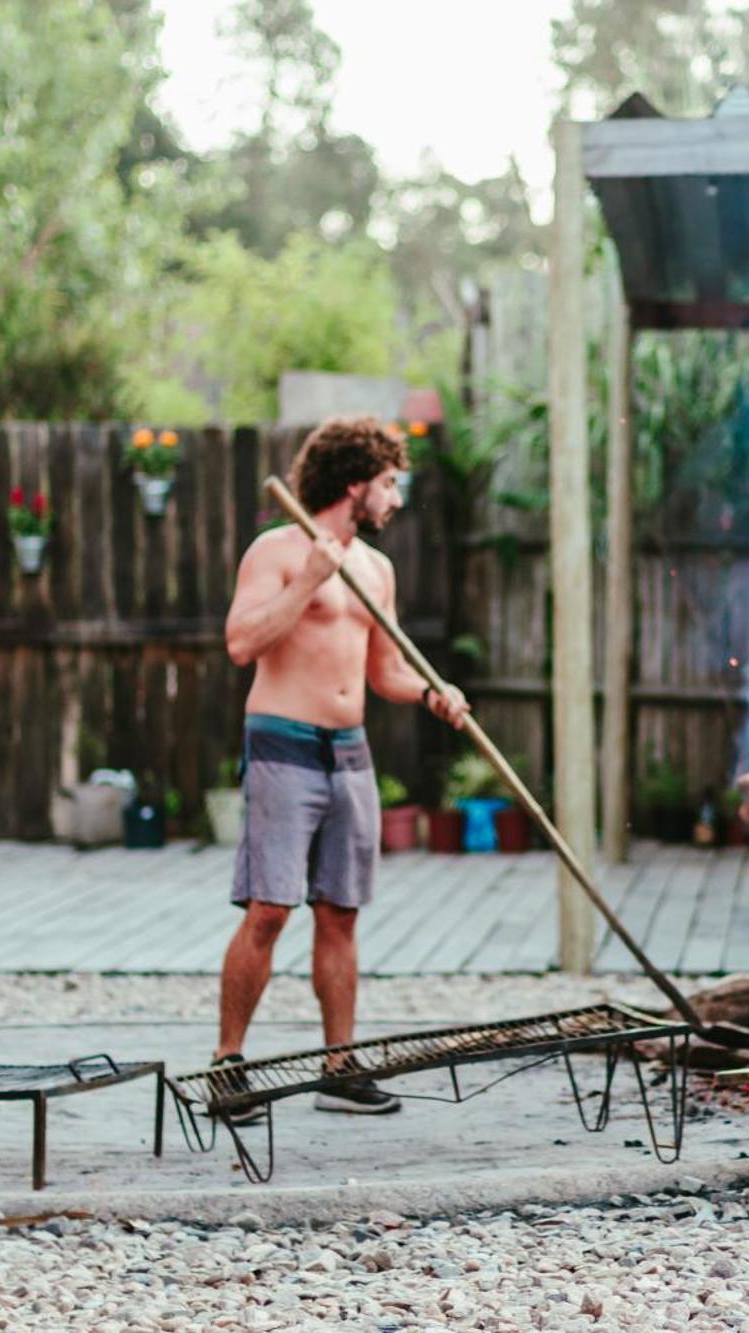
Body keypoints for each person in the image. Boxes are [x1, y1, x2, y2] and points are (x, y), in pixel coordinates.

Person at [214, 415, 469, 1113]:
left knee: (341, 912)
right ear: (354, 483)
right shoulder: (278, 549)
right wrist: (309, 583)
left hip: (350, 751)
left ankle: (339, 1066)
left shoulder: (377, 567)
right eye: (389, 483)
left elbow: (385, 671)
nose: (397, 497)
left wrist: (431, 694)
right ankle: (227, 1064)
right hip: (282, 744)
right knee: (269, 909)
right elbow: (242, 643)